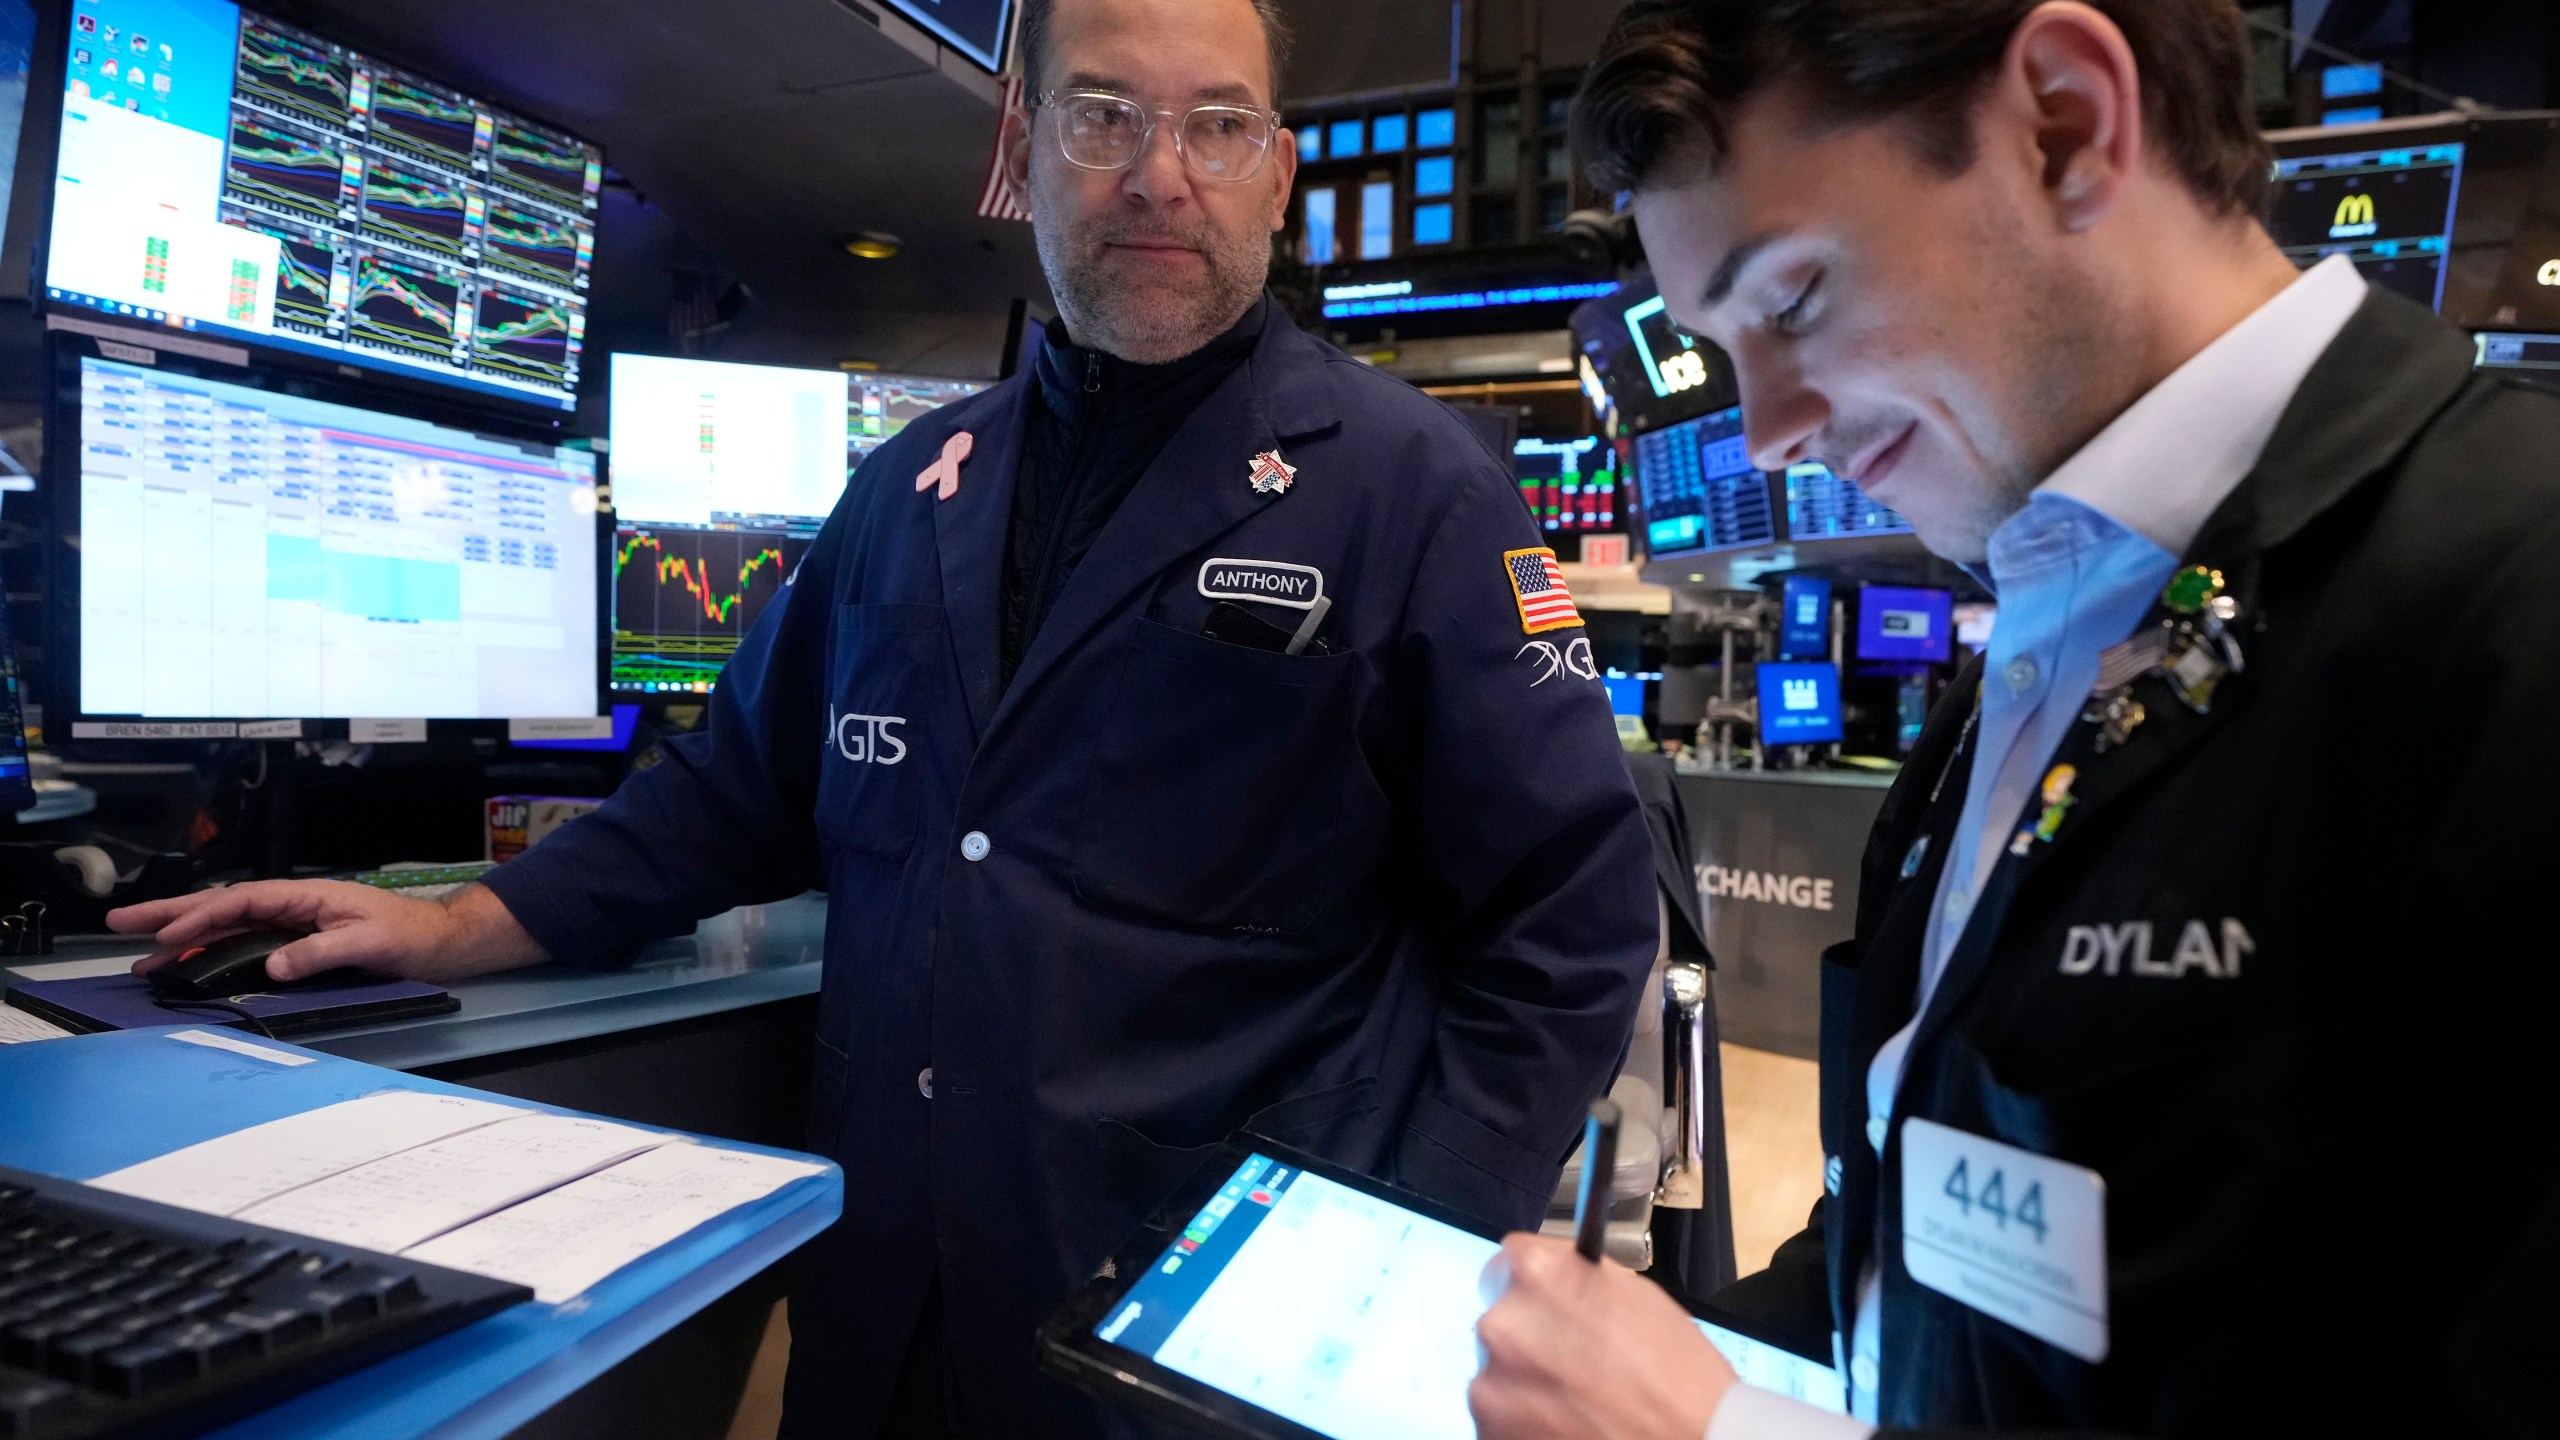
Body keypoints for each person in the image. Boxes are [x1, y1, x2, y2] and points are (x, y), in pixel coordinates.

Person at [110, 0, 1660, 1434]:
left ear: (1281, 174)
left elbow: (1570, 926)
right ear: (1021, 144)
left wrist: (1395, 1251)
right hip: (890, 1313)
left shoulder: (1414, 490)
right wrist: (465, 921)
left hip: (1199, 1331)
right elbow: (731, 794)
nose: (1157, 177)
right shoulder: (911, 489)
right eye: (1103, 115)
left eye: (1219, 126)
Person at [1469, 1, 2558, 1437]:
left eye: (1790, 302)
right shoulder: (2045, 632)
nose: (1770, 428)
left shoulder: (2510, 610)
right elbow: (1943, 1240)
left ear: (2065, 120)